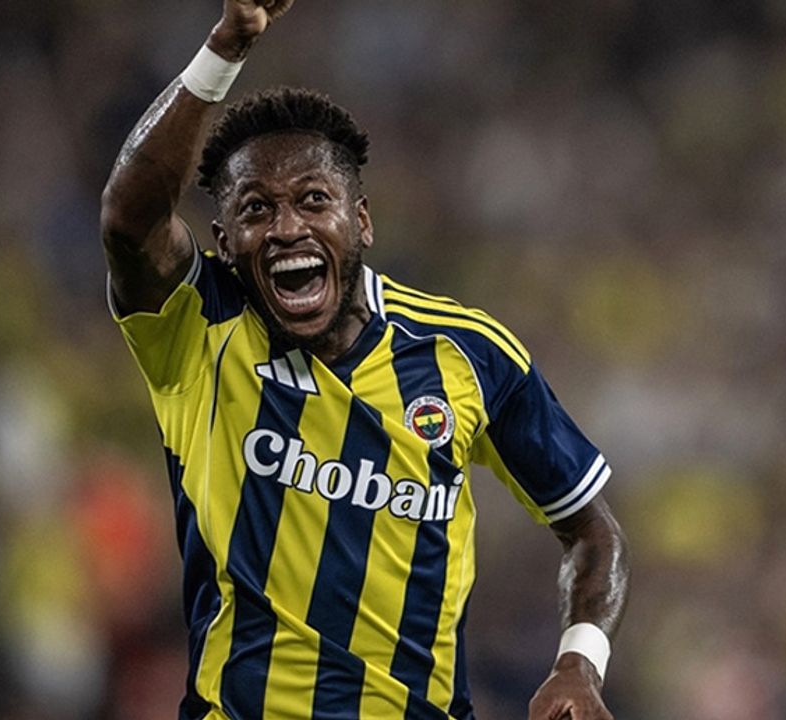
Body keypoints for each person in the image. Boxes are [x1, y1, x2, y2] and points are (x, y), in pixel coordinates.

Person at [99, 2, 630, 718]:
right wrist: (226, 45)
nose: (287, 227)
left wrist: (579, 664)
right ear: (223, 241)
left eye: (314, 200)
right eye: (255, 210)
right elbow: (129, 220)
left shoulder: (467, 353)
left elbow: (591, 528)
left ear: (362, 220)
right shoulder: (199, 327)